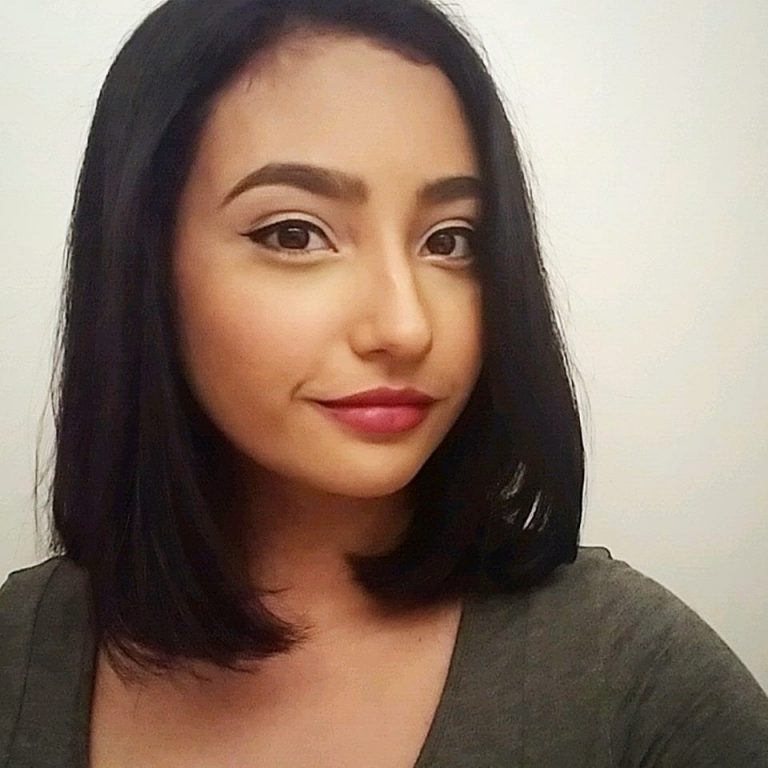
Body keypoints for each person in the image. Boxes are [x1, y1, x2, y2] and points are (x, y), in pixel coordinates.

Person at [1, 0, 767, 765]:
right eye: (295, 234)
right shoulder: (21, 654)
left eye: (450, 240)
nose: (406, 328)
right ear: (142, 264)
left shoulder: (630, 677)